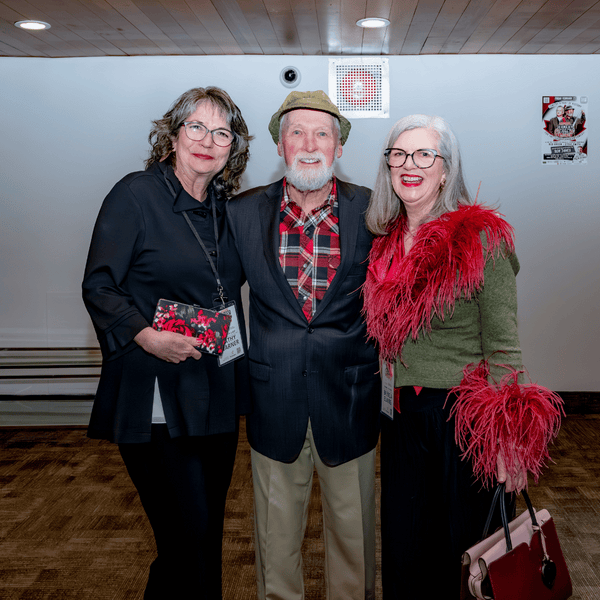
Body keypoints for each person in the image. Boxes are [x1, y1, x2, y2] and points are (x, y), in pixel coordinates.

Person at [362, 114, 563, 599]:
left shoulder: (481, 239)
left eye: (424, 154)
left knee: (467, 558)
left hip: (461, 420)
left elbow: (503, 347)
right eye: (399, 154)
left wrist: (509, 439)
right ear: (388, 167)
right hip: (402, 419)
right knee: (408, 552)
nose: (410, 165)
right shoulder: (385, 241)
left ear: (446, 169)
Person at [82, 86, 252, 599]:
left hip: (213, 392)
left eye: (221, 132)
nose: (208, 140)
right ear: (173, 135)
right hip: (158, 396)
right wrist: (148, 337)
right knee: (186, 539)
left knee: (203, 540)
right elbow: (99, 285)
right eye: (196, 127)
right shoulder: (135, 194)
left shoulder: (223, 208)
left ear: (232, 148)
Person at [227, 90, 380, 600]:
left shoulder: (375, 212)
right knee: (275, 543)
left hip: (350, 399)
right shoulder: (242, 213)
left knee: (353, 540)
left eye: (322, 133)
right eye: (297, 132)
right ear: (279, 144)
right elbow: (217, 298)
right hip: (274, 401)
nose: (309, 144)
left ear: (338, 147)